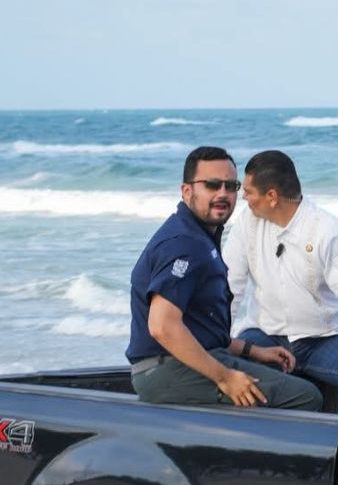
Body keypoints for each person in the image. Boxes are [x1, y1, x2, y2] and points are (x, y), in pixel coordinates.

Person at [126, 146, 322, 410]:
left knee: (284, 377)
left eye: (231, 186)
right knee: (306, 398)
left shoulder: (199, 236)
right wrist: (225, 377)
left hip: (182, 361)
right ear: (187, 191)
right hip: (166, 370)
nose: (223, 194)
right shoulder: (183, 244)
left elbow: (199, 328)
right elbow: (162, 327)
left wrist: (253, 351)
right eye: (212, 185)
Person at [225, 150, 338, 415]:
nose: (242, 198)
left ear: (272, 197)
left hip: (324, 338)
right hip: (265, 335)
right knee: (229, 364)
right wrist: (219, 337)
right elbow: (231, 286)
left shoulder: (327, 230)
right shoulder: (247, 222)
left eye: (247, 191)